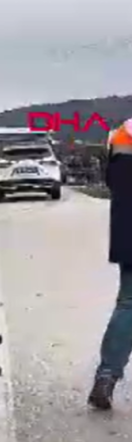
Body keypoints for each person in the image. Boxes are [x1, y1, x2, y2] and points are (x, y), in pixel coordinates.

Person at [89, 119, 132, 410]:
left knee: (128, 305)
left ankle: (106, 377)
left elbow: (114, 182)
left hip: (129, 232)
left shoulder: (123, 133)